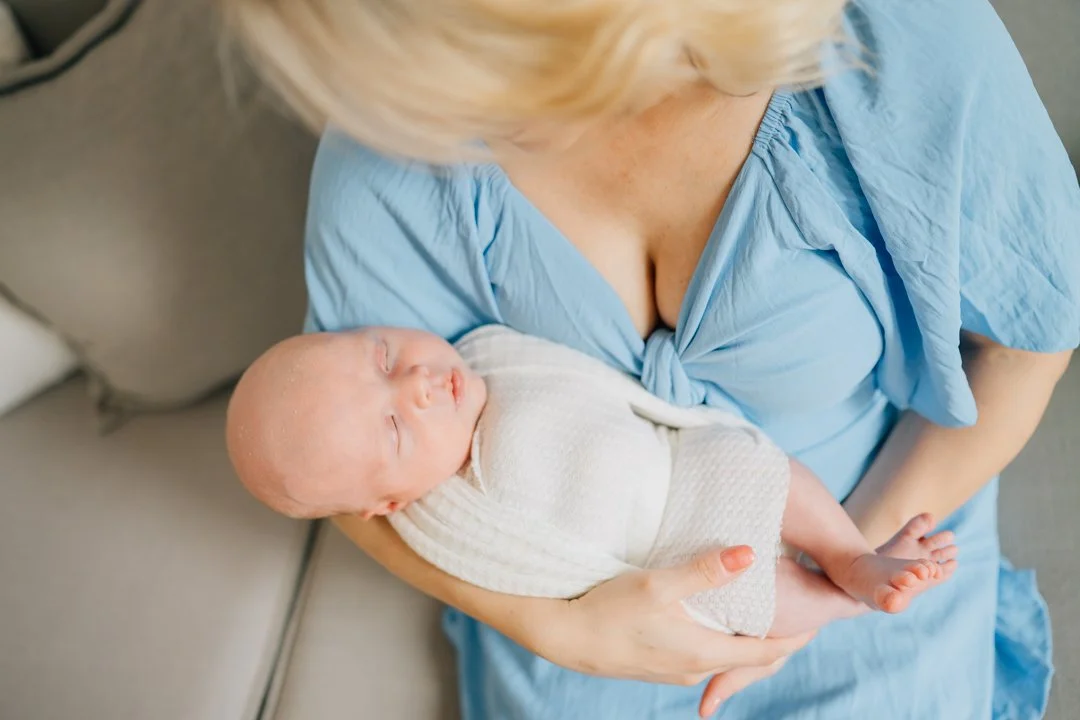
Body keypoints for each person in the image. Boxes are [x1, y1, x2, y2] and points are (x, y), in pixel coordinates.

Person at [223, 0, 1080, 716]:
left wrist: (838, 580)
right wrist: (552, 629)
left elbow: (1025, 350)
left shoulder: (896, 34)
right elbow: (351, 482)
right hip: (594, 621)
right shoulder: (392, 131)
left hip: (878, 543)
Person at [226, 325, 958, 639]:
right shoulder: (445, 521)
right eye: (393, 429)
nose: (417, 382)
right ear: (388, 502)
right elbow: (538, 581)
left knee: (781, 481)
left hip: (685, 465)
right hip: (665, 560)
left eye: (383, 355)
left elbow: (606, 387)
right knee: (768, 607)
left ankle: (854, 558)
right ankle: (845, 601)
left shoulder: (491, 355)